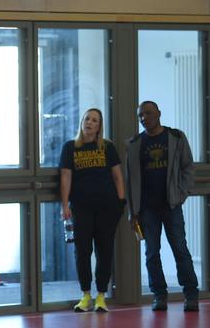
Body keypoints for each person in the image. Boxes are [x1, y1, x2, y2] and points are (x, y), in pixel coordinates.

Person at [126, 101, 200, 313]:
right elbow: (130, 180)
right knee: (151, 253)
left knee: (180, 249)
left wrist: (181, 194)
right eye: (140, 115)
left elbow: (188, 167)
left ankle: (191, 295)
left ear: (159, 113)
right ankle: (159, 295)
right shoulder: (135, 144)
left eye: (148, 113)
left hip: (171, 205)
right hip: (147, 209)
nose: (144, 118)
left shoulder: (176, 137)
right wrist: (133, 212)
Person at [59, 108, 126, 313]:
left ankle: (101, 297)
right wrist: (64, 205)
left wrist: (121, 201)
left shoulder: (107, 147)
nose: (89, 122)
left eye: (94, 120)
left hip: (108, 206)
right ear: (82, 122)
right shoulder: (70, 147)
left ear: (99, 126)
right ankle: (86, 295)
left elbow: (117, 176)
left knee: (104, 250)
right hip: (81, 207)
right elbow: (66, 177)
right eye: (87, 118)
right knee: (83, 251)